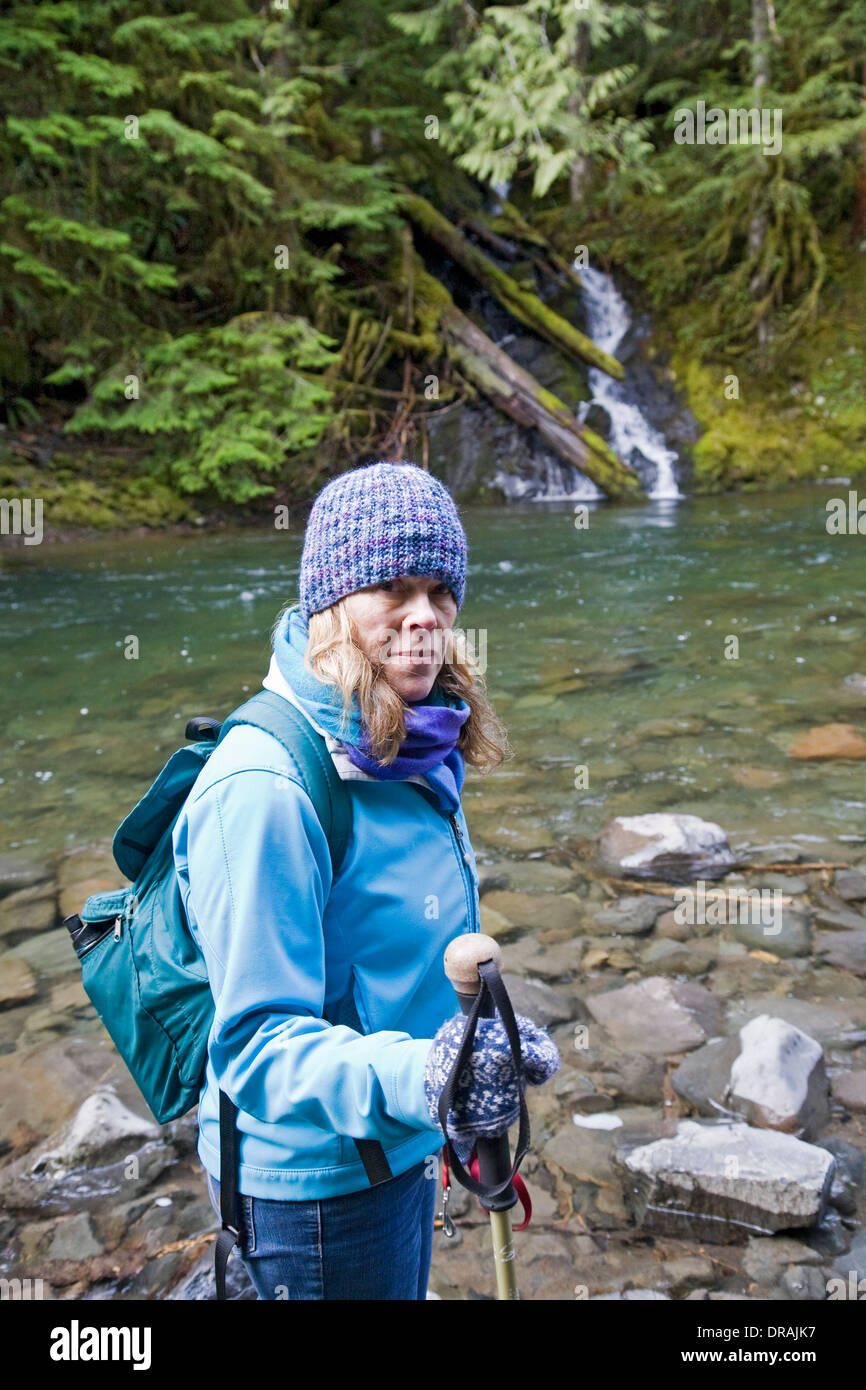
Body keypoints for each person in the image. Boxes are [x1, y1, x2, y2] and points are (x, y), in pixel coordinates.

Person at [171, 461, 558, 1301]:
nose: (425, 617)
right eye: (392, 587)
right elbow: (255, 1045)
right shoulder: (266, 790)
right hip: (313, 1192)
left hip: (400, 1138)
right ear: (331, 605)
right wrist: (426, 1076)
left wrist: (470, 1051)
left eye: (441, 591)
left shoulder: (408, 737)